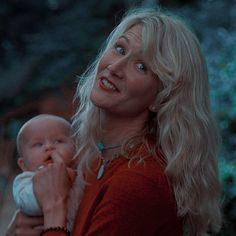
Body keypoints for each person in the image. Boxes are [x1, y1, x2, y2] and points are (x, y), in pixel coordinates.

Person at [6, 7, 222, 236]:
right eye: (120, 49)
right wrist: (15, 230)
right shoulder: (93, 155)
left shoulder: (137, 182)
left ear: (162, 98)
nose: (115, 67)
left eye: (142, 66)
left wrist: (54, 210)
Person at [11, 114, 82, 231]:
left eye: (58, 141)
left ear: (76, 154)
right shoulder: (26, 181)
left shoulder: (82, 176)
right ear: (23, 164)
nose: (49, 147)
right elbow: (29, 206)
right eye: (38, 144)